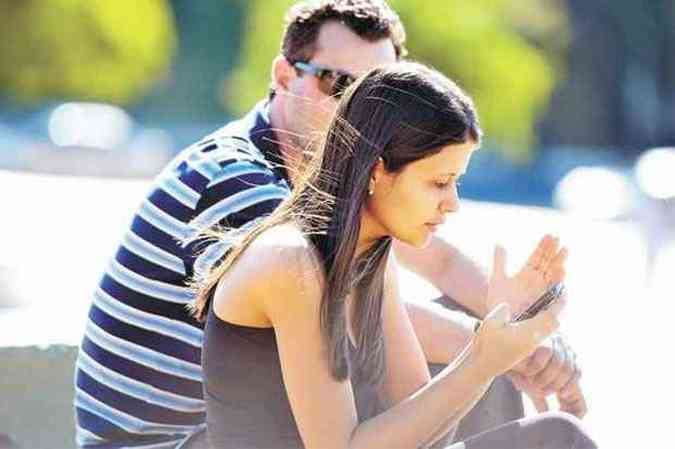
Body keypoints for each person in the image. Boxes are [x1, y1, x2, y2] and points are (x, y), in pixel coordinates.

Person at [73, 1, 585, 448]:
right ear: (283, 77)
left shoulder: (350, 209)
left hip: (254, 420)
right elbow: (334, 307)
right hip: (170, 438)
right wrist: (499, 353)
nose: (354, 107)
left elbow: (441, 262)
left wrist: (513, 328)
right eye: (337, 82)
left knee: (480, 373)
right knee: (465, 360)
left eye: (374, 91)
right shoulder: (240, 182)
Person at [194, 60, 595, 449]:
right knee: (555, 436)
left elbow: (424, 433)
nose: (452, 203)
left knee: (543, 431)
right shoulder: (292, 262)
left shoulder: (369, 256)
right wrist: (483, 360)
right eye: (439, 182)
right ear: (376, 170)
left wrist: (498, 333)